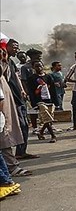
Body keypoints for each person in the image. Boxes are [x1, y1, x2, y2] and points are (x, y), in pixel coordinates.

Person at [1, 45, 31, 178]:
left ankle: (12, 164)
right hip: (3, 106)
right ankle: (11, 167)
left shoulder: (8, 64)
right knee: (4, 135)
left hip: (11, 100)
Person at [4, 40, 37, 160]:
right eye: (14, 47)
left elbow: (17, 77)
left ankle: (21, 151)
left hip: (18, 97)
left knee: (24, 125)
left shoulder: (11, 62)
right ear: (6, 47)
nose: (16, 50)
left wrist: (22, 90)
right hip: (10, 99)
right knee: (18, 125)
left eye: (17, 48)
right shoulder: (3, 62)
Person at [26, 61, 58, 143]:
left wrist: (56, 101)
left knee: (49, 117)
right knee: (46, 116)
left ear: (43, 66)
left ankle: (41, 132)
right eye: (36, 66)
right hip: (39, 100)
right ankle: (53, 135)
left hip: (49, 100)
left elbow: (53, 89)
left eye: (40, 66)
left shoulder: (48, 77)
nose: (39, 68)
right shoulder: (31, 78)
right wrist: (34, 103)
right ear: (33, 68)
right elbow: (31, 91)